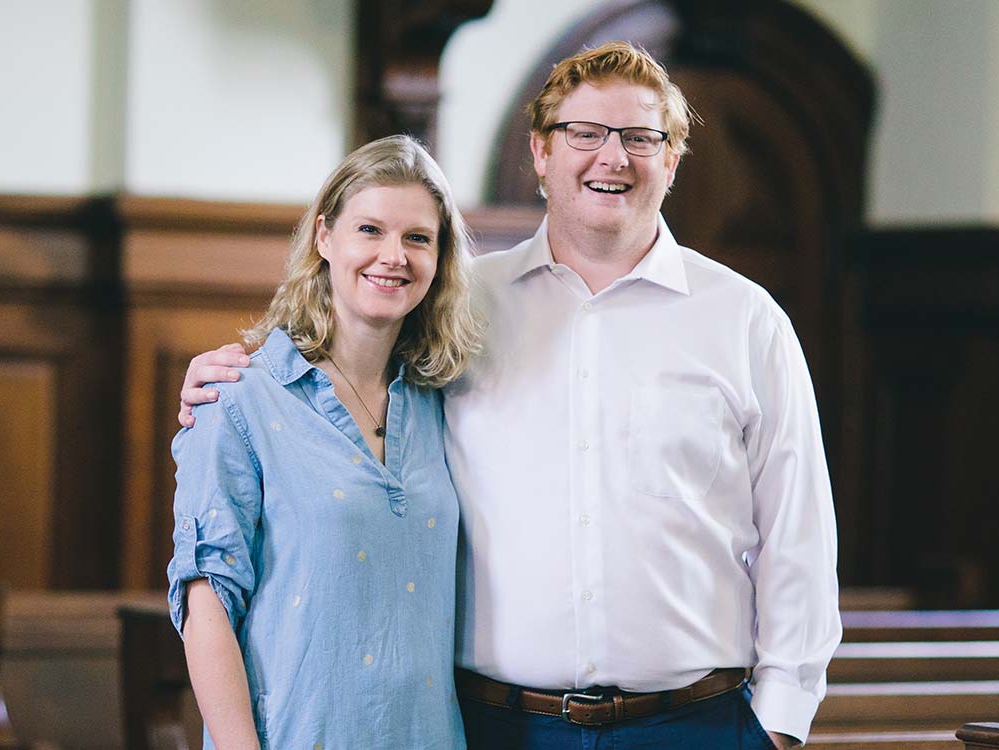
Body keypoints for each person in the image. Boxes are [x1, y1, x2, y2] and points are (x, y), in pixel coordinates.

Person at [180, 42, 838, 749]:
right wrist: (227, 378)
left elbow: (797, 535)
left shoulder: (744, 320)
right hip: (500, 726)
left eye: (641, 138)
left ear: (672, 159)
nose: (611, 158)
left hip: (693, 723)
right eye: (584, 134)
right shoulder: (461, 309)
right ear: (541, 153)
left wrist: (779, 724)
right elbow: (336, 366)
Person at [166, 134, 483, 750]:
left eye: (418, 237)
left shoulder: (442, 403)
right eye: (370, 229)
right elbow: (206, 606)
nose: (394, 255)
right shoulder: (235, 397)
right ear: (324, 237)